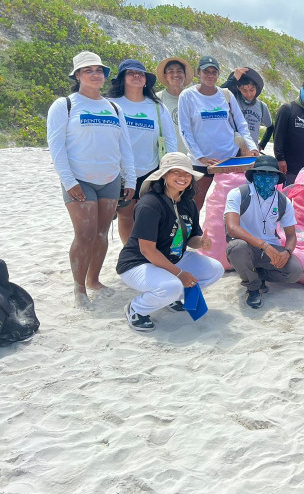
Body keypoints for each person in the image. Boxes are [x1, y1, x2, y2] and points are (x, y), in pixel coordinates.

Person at [46, 51, 136, 310]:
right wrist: (68, 180)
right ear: (77, 75)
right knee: (84, 234)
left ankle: (94, 280)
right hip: (79, 179)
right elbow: (57, 146)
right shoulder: (65, 105)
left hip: (109, 178)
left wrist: (129, 178)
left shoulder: (114, 106)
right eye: (88, 70)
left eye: (99, 70)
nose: (95, 75)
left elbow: (124, 147)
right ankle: (79, 288)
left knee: (101, 233)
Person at [116, 152, 224, 331]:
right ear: (164, 175)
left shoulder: (188, 203)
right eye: (176, 172)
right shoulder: (150, 204)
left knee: (215, 270)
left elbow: (191, 239)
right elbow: (147, 250)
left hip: (173, 257)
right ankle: (136, 309)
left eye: (187, 173)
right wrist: (180, 274)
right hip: (138, 263)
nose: (183, 177)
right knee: (172, 286)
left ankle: (170, 298)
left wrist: (202, 243)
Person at [108, 59, 178, 244]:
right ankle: (130, 252)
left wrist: (171, 168)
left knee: (147, 214)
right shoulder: (111, 104)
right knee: (125, 215)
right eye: (131, 73)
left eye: (141, 74)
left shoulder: (157, 106)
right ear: (122, 79)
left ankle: (146, 251)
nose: (137, 76)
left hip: (151, 170)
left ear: (146, 80)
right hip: (120, 170)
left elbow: (170, 139)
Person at [178, 55, 258, 210]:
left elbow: (241, 124)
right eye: (206, 71)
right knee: (194, 203)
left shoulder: (225, 94)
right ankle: (192, 234)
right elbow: (185, 130)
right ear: (198, 73)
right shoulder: (187, 96)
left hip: (229, 158)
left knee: (229, 203)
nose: (210, 75)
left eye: (214, 72)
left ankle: (224, 234)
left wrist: (252, 146)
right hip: (201, 161)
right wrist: (200, 156)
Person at [224, 155, 304, 308]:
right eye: (261, 173)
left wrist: (286, 252)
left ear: (277, 178)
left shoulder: (283, 201)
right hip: (247, 247)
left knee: (295, 272)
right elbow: (232, 228)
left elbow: (291, 235)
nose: (266, 177)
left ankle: (257, 274)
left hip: (270, 248)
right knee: (236, 248)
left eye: (271, 174)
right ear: (253, 175)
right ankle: (253, 287)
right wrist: (263, 246)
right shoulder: (238, 194)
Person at [220, 67, 274, 150]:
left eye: (252, 90)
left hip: (252, 152)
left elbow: (270, 127)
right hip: (232, 151)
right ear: (238, 88)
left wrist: (261, 145)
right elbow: (218, 96)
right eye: (244, 90)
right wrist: (233, 79)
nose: (249, 94)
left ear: (256, 88)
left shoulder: (262, 106)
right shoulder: (233, 101)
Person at [155, 56, 194, 153]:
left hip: (193, 157)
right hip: (168, 157)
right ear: (165, 76)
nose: (175, 74)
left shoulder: (193, 98)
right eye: (171, 71)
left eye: (179, 71)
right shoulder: (157, 99)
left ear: (185, 75)